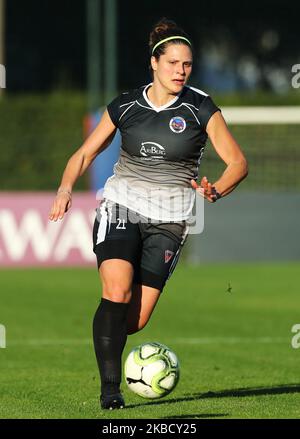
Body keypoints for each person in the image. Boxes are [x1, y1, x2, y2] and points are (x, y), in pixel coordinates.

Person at [49, 18, 248, 410]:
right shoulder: (126, 105)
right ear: (154, 63)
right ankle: (111, 392)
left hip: (170, 222)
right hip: (122, 206)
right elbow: (85, 153)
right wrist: (65, 186)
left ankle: (104, 334)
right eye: (173, 63)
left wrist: (217, 189)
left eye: (187, 65)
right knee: (116, 291)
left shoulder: (200, 107)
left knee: (134, 321)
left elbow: (238, 162)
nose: (181, 71)